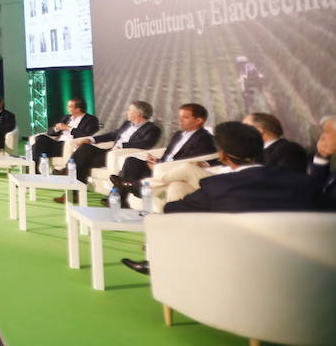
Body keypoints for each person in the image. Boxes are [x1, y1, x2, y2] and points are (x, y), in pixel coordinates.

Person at [121, 122, 324, 276]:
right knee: (177, 186)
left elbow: (172, 210)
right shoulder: (302, 182)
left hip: (233, 266)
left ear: (223, 156)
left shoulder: (218, 187)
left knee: (174, 208)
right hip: (300, 267)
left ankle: (160, 259)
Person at [59, 100, 162, 201]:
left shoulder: (152, 129)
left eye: (130, 110)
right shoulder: (127, 124)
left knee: (82, 161)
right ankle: (69, 175)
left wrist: (122, 146)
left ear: (138, 113)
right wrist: (91, 139)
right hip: (110, 151)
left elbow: (145, 144)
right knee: (85, 147)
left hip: (118, 155)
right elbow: (113, 135)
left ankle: (72, 186)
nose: (127, 112)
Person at [111, 103, 216, 200]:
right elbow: (170, 154)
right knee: (131, 161)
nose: (180, 120)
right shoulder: (178, 134)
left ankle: (129, 191)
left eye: (185, 117)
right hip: (162, 165)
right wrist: (158, 161)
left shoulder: (204, 138)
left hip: (173, 170)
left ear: (199, 120)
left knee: (126, 174)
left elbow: (189, 161)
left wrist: (162, 166)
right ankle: (122, 196)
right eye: (180, 117)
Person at [30, 97, 100, 167]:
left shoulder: (91, 119)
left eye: (70, 106)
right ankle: (35, 167)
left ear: (78, 109)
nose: (67, 108)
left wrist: (68, 128)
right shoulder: (67, 117)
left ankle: (34, 168)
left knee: (36, 147)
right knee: (40, 138)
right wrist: (56, 128)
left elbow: (86, 134)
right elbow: (49, 132)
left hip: (69, 145)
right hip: (58, 144)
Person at [243, 112, 309, 173]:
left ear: (259, 131)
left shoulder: (288, 149)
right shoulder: (254, 151)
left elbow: (287, 178)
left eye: (245, 127)